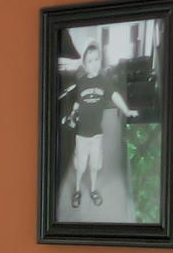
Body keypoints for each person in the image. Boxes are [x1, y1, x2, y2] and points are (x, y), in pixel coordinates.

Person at [59, 32, 139, 210]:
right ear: (84, 64)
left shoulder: (104, 82)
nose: (93, 64)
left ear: (100, 61)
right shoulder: (80, 83)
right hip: (81, 136)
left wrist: (126, 110)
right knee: (80, 166)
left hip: (96, 135)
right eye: (89, 61)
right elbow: (78, 102)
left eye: (96, 59)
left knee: (95, 166)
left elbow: (115, 95)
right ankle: (78, 189)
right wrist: (73, 113)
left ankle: (93, 189)